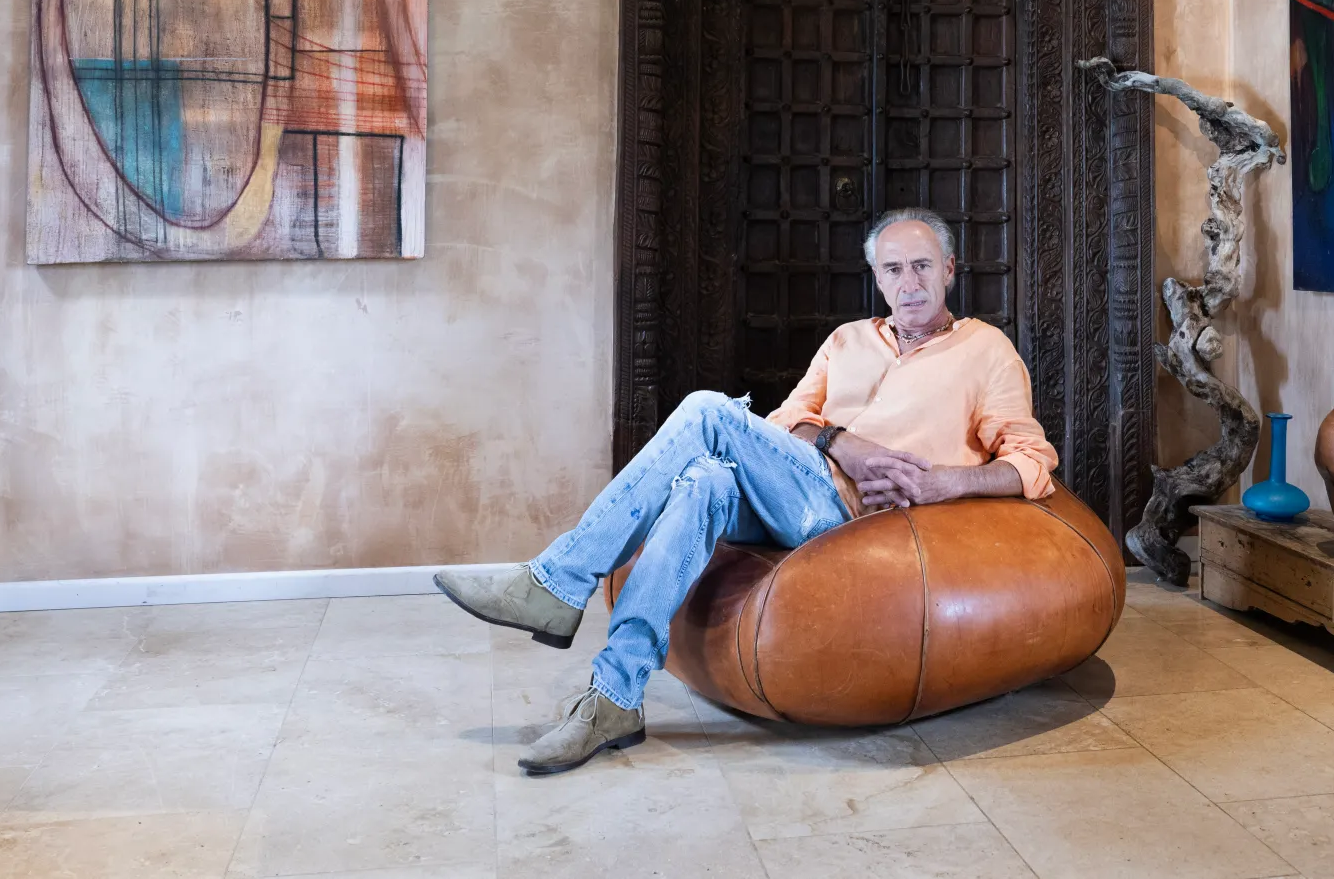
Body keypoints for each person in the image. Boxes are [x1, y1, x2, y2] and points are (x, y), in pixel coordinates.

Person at [433, 206, 1059, 774]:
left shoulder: (987, 351)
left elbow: (1033, 462)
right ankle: (614, 698)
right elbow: (785, 422)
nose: (909, 282)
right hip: (801, 483)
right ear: (877, 277)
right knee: (702, 481)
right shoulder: (847, 341)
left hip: (856, 519)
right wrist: (840, 440)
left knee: (708, 410)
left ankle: (555, 581)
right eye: (893, 269)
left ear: (949, 269)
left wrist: (947, 481)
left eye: (922, 266)